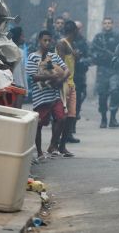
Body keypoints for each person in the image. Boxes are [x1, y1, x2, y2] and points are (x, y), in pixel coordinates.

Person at [26, 30, 71, 158]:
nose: (47, 43)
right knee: (39, 124)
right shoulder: (32, 57)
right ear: (39, 41)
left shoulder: (54, 57)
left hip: (54, 94)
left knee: (62, 118)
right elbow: (33, 77)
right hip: (40, 96)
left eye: (49, 40)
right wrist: (50, 77)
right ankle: (39, 152)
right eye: (44, 40)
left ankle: (52, 145)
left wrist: (60, 80)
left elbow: (66, 69)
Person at [91, 17, 119, 128]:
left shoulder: (118, 37)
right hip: (102, 69)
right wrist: (99, 56)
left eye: (109, 23)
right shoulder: (98, 38)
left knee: (115, 92)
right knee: (102, 95)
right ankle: (104, 117)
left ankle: (113, 117)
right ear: (103, 25)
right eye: (105, 23)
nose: (107, 25)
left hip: (114, 69)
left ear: (112, 24)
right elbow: (92, 51)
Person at [56, 21, 80, 144]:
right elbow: (59, 64)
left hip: (71, 82)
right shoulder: (62, 44)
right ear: (75, 31)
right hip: (64, 83)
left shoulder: (71, 44)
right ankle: (57, 142)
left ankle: (66, 139)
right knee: (63, 115)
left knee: (71, 114)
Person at [73, 21, 91, 121]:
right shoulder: (67, 40)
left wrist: (81, 60)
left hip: (80, 74)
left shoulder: (84, 42)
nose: (77, 30)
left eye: (79, 28)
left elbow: (90, 57)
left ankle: (75, 118)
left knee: (80, 97)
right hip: (68, 74)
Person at [9, 26, 29, 108]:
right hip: (16, 87)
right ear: (17, 37)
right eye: (22, 35)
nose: (24, 37)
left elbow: (23, 72)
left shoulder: (21, 52)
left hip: (19, 88)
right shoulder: (13, 51)